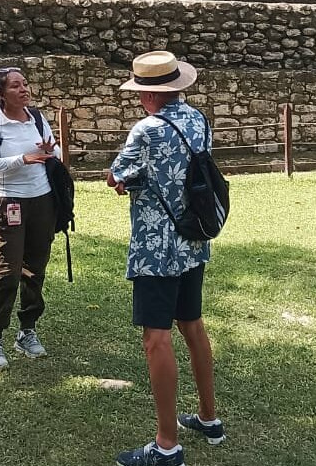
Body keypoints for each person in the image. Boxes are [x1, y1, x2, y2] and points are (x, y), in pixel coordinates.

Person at [106, 51, 225, 466]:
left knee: (156, 338)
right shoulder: (198, 119)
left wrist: (129, 179)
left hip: (157, 247)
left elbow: (116, 175)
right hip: (193, 239)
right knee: (192, 324)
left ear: (147, 95)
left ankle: (166, 444)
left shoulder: (146, 130)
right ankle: (209, 417)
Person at [0, 65, 59, 371]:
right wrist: (21, 158)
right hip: (9, 202)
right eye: (15, 86)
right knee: (8, 272)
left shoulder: (36, 118)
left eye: (25, 84)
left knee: (35, 269)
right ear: (1, 93)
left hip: (42, 200)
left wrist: (52, 151)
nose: (24, 89)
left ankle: (27, 332)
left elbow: (55, 153)